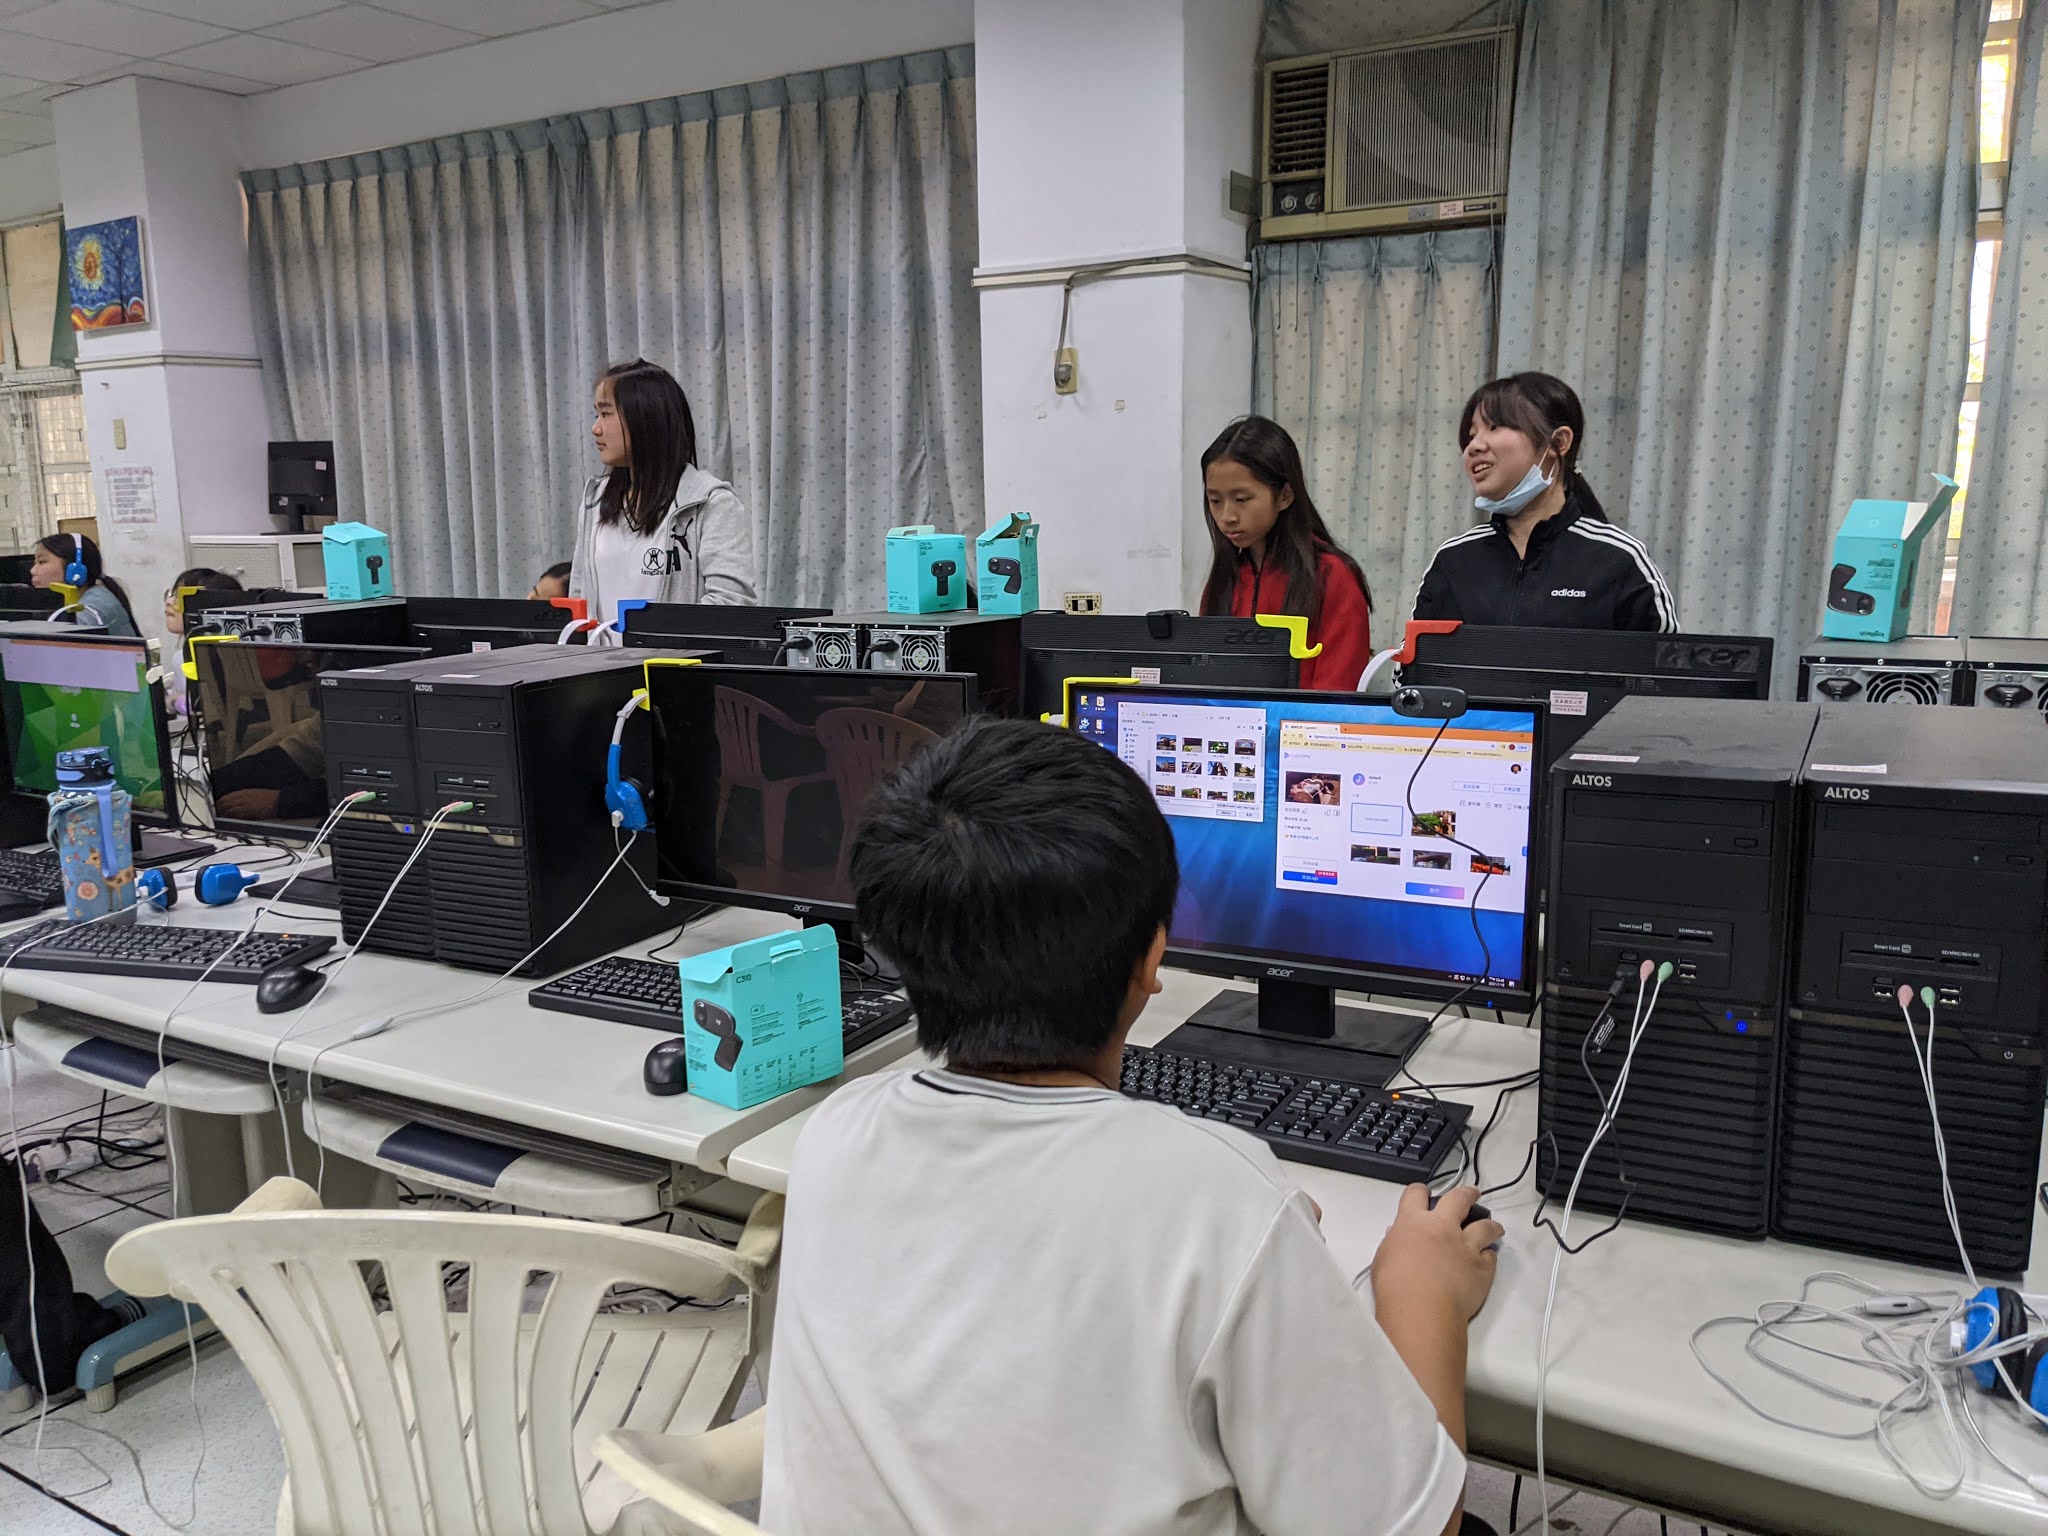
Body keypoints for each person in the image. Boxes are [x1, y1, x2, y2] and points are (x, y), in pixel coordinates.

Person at [761, 717, 1503, 1536]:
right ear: (1153, 958)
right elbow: (1418, 1527)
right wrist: (1422, 1294)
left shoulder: (834, 1135)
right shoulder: (1217, 1201)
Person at [1414, 373, 1676, 632]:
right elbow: (1415, 657)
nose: (1474, 447)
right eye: (1471, 435)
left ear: (1558, 442)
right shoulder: (1453, 560)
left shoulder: (1618, 559)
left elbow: (1664, 658)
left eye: (1494, 427)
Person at [569, 359, 757, 625]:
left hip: (669, 654)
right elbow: (578, 602)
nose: (595, 428)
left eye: (606, 414)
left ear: (644, 418)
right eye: (596, 415)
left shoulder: (711, 503)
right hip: (597, 654)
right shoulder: (594, 501)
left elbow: (732, 604)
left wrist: (657, 639)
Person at [1197, 416, 1373, 691]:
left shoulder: (1331, 575)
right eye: (1215, 501)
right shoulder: (1224, 578)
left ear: (1285, 496)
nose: (1227, 516)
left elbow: (1338, 692)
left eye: (1242, 499)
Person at [163, 567, 243, 716]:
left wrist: (176, 702)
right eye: (171, 595)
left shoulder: (227, 657)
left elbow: (209, 706)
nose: (169, 602)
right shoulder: (181, 657)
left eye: (180, 597)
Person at [30, 534, 138, 637]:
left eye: (42, 562)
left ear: (75, 569)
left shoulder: (92, 609)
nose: (33, 571)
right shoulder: (90, 595)